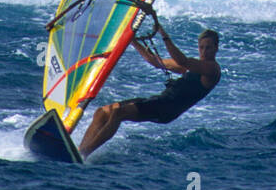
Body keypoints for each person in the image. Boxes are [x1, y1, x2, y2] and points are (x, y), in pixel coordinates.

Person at [77, 25, 220, 159]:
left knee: (118, 113)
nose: (204, 51)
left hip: (167, 109)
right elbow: (154, 61)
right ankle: (79, 150)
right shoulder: (191, 66)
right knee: (102, 112)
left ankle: (84, 153)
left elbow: (182, 60)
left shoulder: (212, 69)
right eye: (201, 47)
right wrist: (132, 40)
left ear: (216, 48)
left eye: (208, 47)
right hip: (158, 101)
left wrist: (163, 34)